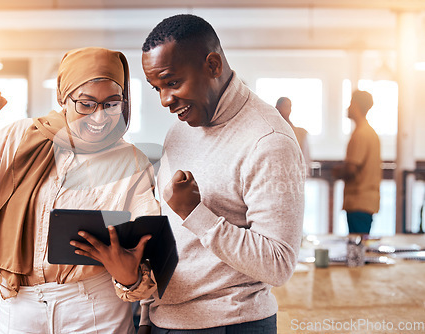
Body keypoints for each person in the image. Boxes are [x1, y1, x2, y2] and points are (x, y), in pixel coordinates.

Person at [73, 14, 305, 333]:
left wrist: (195, 213)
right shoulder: (179, 131)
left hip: (229, 324)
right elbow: (169, 235)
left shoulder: (269, 141)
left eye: (172, 82)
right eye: (157, 88)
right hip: (164, 321)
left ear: (212, 65)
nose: (166, 100)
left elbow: (278, 265)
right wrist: (146, 313)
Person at [0, 47, 159, 334]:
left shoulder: (130, 161)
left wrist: (130, 279)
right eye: (86, 104)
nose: (99, 117)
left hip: (95, 305)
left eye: (112, 104)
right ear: (63, 97)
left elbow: (149, 245)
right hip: (19, 304)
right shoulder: (18, 138)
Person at [332, 90, 381, 234]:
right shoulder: (369, 132)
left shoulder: (361, 134)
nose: (348, 107)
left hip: (359, 201)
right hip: (366, 201)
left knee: (357, 248)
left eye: (350, 103)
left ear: (356, 105)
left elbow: (351, 169)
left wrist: (336, 172)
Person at [275, 97, 311, 169]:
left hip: (295, 173)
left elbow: (306, 159)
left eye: (289, 107)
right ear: (277, 108)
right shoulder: (270, 131)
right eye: (284, 106)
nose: (288, 110)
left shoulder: (301, 133)